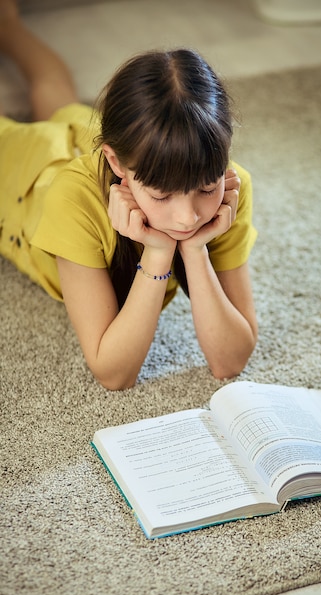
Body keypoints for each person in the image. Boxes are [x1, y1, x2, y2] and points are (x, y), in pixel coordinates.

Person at [0, 0, 258, 390]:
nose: (189, 217)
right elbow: (114, 373)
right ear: (117, 163)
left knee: (59, 100)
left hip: (121, 154)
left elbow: (230, 360)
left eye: (206, 187)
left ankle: (7, 23)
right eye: (163, 197)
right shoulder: (72, 201)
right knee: (46, 118)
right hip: (29, 184)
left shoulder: (229, 184)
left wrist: (195, 249)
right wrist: (157, 254)